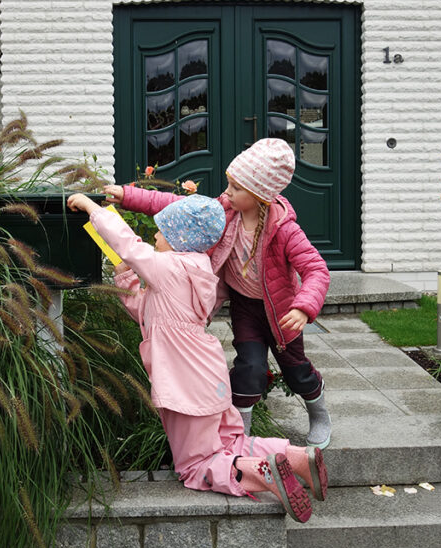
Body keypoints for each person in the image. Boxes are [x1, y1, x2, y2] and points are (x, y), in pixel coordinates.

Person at [66, 192, 327, 522]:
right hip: (209, 375)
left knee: (195, 465)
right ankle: (295, 458)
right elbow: (146, 309)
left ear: (179, 239)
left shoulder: (170, 268)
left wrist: (93, 208)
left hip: (183, 381)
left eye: (162, 231)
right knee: (230, 440)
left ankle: (263, 473)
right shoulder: (198, 269)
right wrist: (124, 273)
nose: (155, 235)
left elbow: (128, 245)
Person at [104, 139, 333, 448]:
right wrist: (127, 196)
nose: (227, 192)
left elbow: (316, 269)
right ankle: (240, 438)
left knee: (296, 371)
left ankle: (318, 413)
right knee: (248, 368)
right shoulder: (224, 210)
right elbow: (175, 207)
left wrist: (304, 307)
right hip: (245, 307)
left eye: (236, 188)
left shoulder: (285, 230)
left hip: (282, 313)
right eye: (228, 184)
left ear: (260, 194)